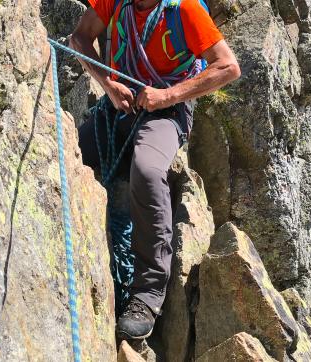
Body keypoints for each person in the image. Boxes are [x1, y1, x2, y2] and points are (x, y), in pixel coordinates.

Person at [69, 0, 240, 340]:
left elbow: (228, 67)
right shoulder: (115, 2)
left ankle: (147, 295)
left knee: (146, 172)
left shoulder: (186, 10)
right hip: (119, 105)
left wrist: (169, 95)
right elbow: (80, 39)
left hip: (166, 113)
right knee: (70, 152)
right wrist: (108, 84)